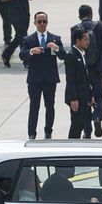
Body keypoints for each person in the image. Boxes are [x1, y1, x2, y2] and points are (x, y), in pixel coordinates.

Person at [20, 12, 65, 140]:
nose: (42, 24)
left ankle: (48, 132)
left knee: (50, 106)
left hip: (50, 79)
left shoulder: (55, 38)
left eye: (44, 21)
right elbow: (22, 55)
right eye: (39, 22)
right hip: (35, 79)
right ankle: (32, 133)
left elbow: (63, 55)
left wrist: (56, 48)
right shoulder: (28, 40)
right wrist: (31, 51)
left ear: (47, 22)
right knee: (34, 106)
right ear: (34, 23)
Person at [74, 5, 102, 137]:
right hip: (98, 67)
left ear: (80, 16)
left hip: (82, 68)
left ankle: (87, 131)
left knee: (85, 98)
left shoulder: (75, 29)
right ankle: (97, 116)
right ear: (91, 14)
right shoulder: (99, 26)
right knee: (98, 95)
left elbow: (74, 49)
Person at [64, 27, 93, 139]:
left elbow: (86, 77)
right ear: (77, 41)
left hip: (84, 95)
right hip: (76, 97)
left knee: (81, 123)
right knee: (76, 125)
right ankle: (71, 146)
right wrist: (73, 99)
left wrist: (91, 95)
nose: (88, 42)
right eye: (85, 39)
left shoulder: (82, 54)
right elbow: (70, 79)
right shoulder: (71, 55)